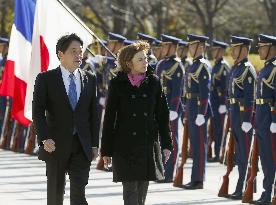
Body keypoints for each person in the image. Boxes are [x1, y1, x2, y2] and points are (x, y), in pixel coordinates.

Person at [100, 41, 172, 205]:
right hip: (125, 147)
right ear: (128, 63)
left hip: (147, 145)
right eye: (140, 59)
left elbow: (162, 116)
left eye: (145, 58)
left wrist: (167, 144)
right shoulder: (117, 84)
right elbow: (110, 119)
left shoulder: (154, 82)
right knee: (130, 193)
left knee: (141, 194)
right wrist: (106, 151)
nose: (145, 62)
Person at [32, 33, 99, 205]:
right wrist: (44, 137)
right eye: (73, 51)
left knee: (79, 194)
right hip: (55, 145)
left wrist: (94, 144)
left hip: (82, 146)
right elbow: (38, 111)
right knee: (55, 194)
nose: (79, 55)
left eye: (81, 51)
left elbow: (94, 114)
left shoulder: (90, 79)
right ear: (61, 54)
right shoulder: (46, 79)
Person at [227, 36, 256, 199]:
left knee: (244, 152)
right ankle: (241, 185)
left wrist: (247, 119)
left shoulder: (247, 69)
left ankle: (244, 186)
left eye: (235, 48)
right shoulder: (236, 68)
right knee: (239, 152)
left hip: (242, 114)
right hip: (235, 111)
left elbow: (249, 97)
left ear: (244, 50)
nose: (231, 51)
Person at [156, 34, 184, 183]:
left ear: (173, 47)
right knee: (160, 139)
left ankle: (169, 172)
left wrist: (173, 109)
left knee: (171, 139)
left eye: (166, 46)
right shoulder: (161, 64)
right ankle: (160, 170)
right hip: (160, 107)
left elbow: (177, 90)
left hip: (171, 109)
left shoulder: (177, 66)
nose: (163, 48)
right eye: (163, 45)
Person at [254, 34, 276, 205]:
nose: (259, 50)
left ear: (272, 48)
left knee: (273, 158)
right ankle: (266, 192)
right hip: (262, 118)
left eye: (262, 47)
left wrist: (275, 120)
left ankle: (272, 193)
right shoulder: (266, 68)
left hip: (270, 120)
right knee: (266, 159)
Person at [209, 40, 230, 162]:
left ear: (221, 51)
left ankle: (220, 154)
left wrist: (223, 104)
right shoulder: (215, 65)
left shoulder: (224, 67)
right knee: (214, 129)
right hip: (214, 102)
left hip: (220, 104)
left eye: (215, 50)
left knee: (220, 129)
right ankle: (216, 153)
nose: (213, 52)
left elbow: (225, 87)